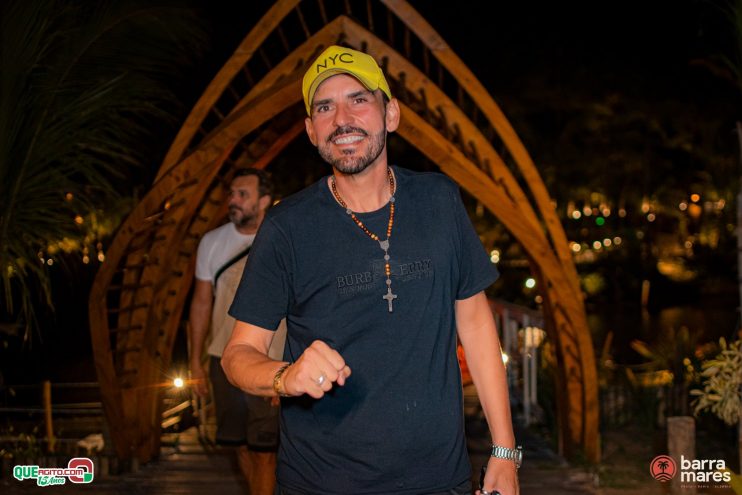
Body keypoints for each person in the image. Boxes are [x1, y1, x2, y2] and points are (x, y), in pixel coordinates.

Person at [222, 46, 520, 495]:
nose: (342, 119)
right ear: (311, 130)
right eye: (325, 107)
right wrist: (285, 376)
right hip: (320, 483)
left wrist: (505, 450)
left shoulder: (439, 200)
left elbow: (476, 325)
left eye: (358, 99)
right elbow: (238, 355)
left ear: (391, 114)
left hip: (439, 479)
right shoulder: (287, 227)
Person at [188, 168, 284, 495]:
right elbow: (201, 303)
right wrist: (196, 361)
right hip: (223, 357)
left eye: (243, 194)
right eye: (231, 193)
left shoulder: (282, 238)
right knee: (239, 444)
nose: (233, 200)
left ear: (264, 200)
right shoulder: (212, 242)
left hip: (271, 360)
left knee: (265, 450)